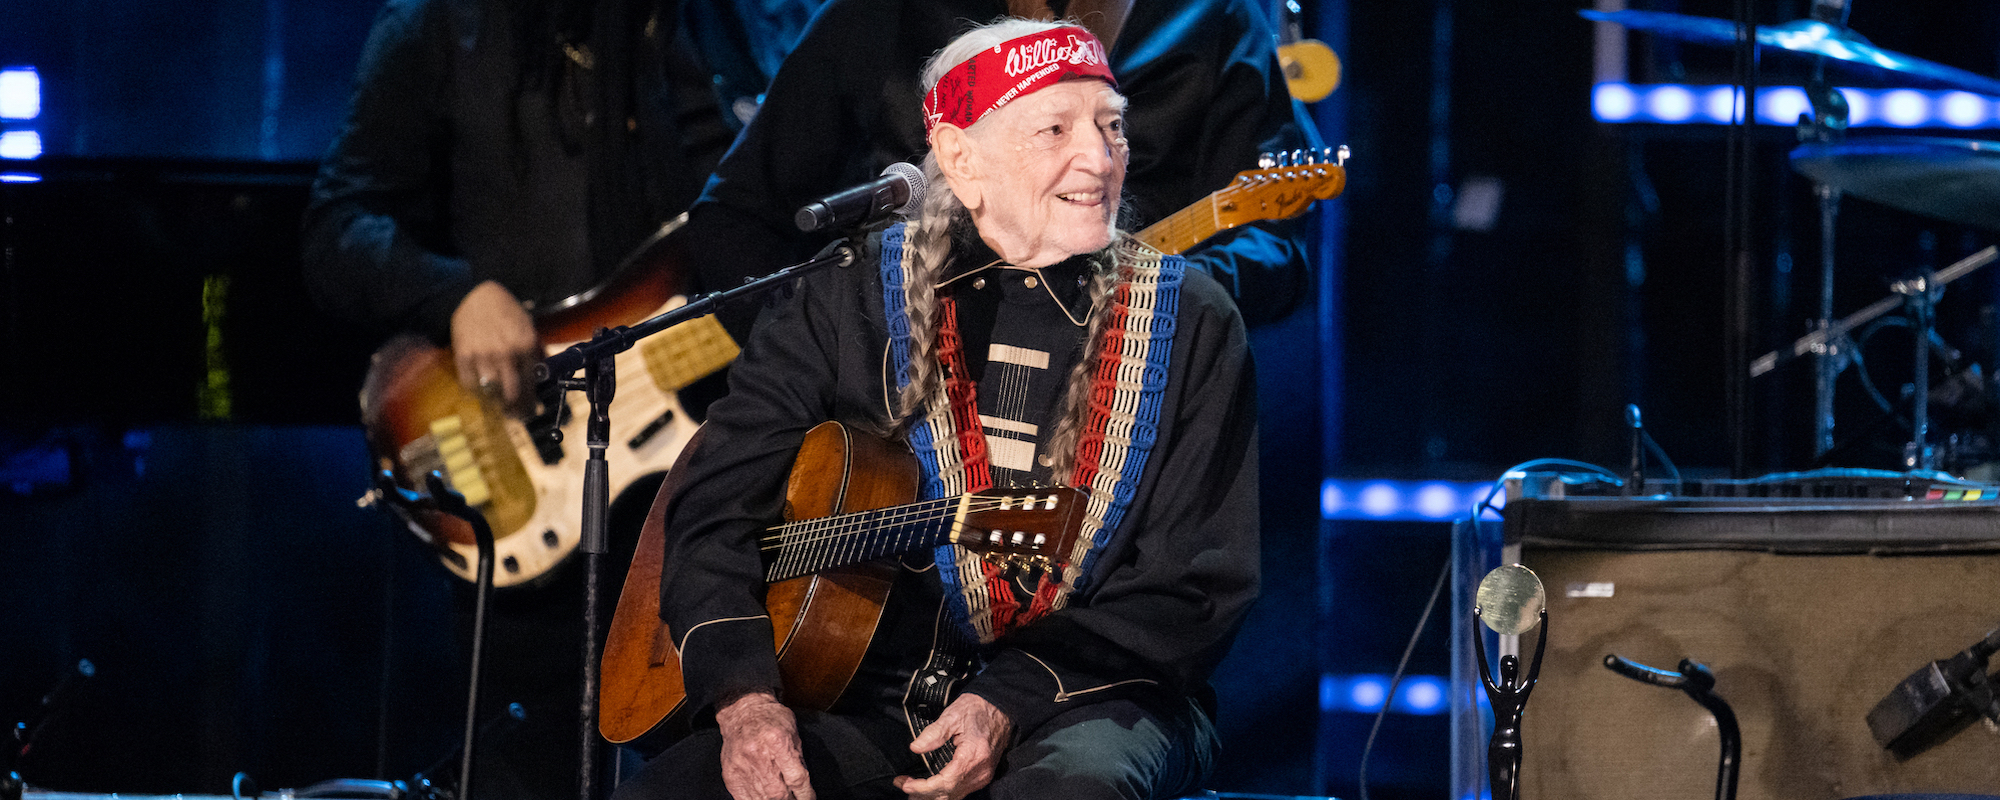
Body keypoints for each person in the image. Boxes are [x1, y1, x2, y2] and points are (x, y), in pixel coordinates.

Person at [614, 18, 1260, 800]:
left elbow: (1195, 588)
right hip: (875, 696)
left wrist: (1006, 698)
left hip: (1095, 694)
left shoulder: (1192, 318)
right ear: (960, 158)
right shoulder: (847, 292)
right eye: (1055, 129)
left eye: (1111, 126)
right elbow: (714, 511)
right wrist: (745, 699)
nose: (1099, 157)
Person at [300, 1, 733, 798]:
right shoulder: (435, 24)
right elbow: (337, 227)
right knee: (525, 764)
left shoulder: (671, 24)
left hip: (679, 483)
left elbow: (738, 214)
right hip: (515, 461)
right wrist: (455, 297)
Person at [678, 0, 1320, 342]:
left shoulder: (1215, 17)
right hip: (909, 434)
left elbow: (1278, 252)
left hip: (1128, 418)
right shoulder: (883, 14)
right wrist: (832, 357)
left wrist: (1146, 304)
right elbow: (733, 217)